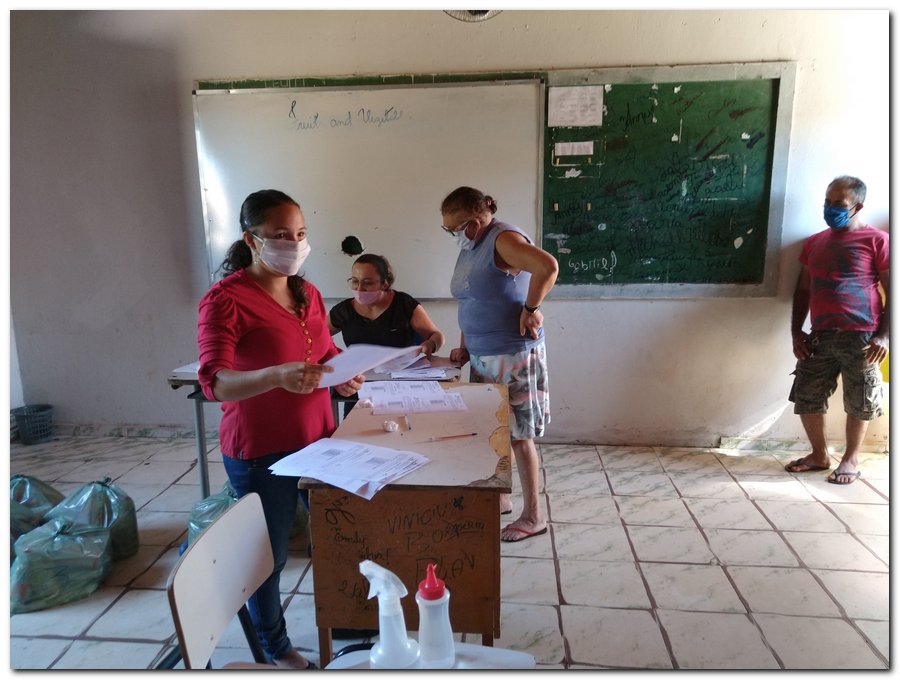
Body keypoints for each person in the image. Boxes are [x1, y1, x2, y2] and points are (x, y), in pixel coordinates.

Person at [197, 189, 364, 669]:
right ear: (252, 240)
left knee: (335, 539)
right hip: (261, 452)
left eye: (301, 234)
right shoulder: (225, 300)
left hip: (319, 439)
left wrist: (345, 373)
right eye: (280, 236)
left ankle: (346, 619)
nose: (294, 243)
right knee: (266, 560)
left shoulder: (305, 292)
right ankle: (275, 646)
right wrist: (275, 375)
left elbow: (323, 355)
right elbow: (214, 382)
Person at [440, 186, 559, 542]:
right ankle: (502, 497)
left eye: (456, 228)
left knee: (520, 436)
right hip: (482, 352)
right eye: (447, 230)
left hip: (511, 354)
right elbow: (471, 299)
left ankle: (533, 516)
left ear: (474, 221)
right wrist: (463, 346)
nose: (453, 235)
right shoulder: (471, 246)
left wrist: (531, 308)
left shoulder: (502, 238)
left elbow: (547, 266)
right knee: (494, 429)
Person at [785, 176, 889, 485]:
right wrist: (796, 332)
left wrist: (884, 336)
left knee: (860, 398)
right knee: (807, 394)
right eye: (828, 203)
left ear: (858, 206)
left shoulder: (878, 240)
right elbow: (803, 289)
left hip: (863, 335)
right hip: (820, 335)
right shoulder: (814, 243)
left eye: (839, 205)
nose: (831, 209)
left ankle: (850, 460)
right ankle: (819, 455)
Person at [328, 253, 445, 356]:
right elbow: (315, 336)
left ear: (384, 283)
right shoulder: (343, 311)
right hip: (362, 376)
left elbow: (437, 336)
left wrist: (431, 344)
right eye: (355, 281)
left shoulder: (403, 304)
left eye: (367, 283)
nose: (359, 288)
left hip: (403, 374)